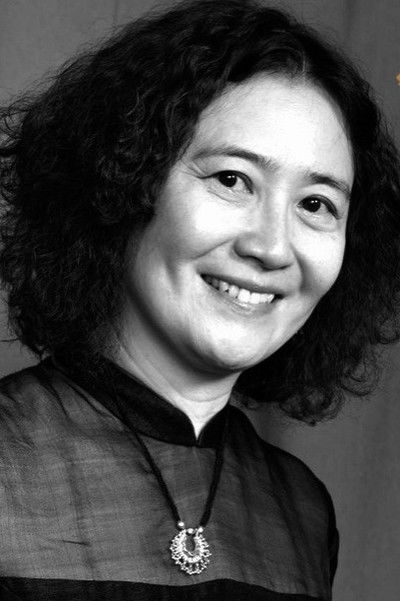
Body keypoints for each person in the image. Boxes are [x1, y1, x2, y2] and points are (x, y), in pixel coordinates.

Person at [0, 0, 399, 599]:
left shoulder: (303, 511)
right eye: (231, 179)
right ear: (123, 182)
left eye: (316, 204)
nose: (271, 247)